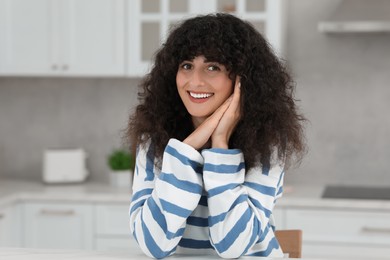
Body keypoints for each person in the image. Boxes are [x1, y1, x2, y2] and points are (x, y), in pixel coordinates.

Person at [127, 13, 305, 258]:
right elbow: (154, 245)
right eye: (186, 66)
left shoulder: (268, 142)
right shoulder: (153, 139)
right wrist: (187, 149)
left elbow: (232, 246)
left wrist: (221, 149)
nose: (195, 81)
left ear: (243, 80)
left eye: (213, 67)